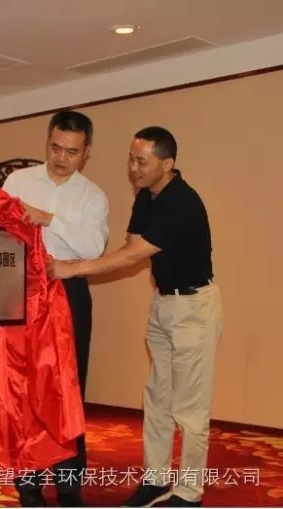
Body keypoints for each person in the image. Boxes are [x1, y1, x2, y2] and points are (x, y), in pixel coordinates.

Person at [47, 126, 223, 508]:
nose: (133, 168)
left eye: (142, 161)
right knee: (157, 398)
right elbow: (130, 245)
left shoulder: (181, 202)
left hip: (194, 308)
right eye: (131, 159)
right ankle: (156, 480)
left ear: (168, 163)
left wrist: (71, 268)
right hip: (164, 303)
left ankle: (189, 493)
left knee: (190, 408)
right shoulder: (146, 195)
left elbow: (132, 256)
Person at [1, 110, 109, 507]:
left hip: (68, 291)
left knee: (69, 388)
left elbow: (93, 247)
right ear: (47, 142)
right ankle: (27, 483)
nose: (61, 157)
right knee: (24, 386)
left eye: (72, 151)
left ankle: (68, 485)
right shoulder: (18, 182)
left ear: (87, 152)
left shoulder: (92, 196)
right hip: (22, 290)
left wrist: (50, 220)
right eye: (56, 147)